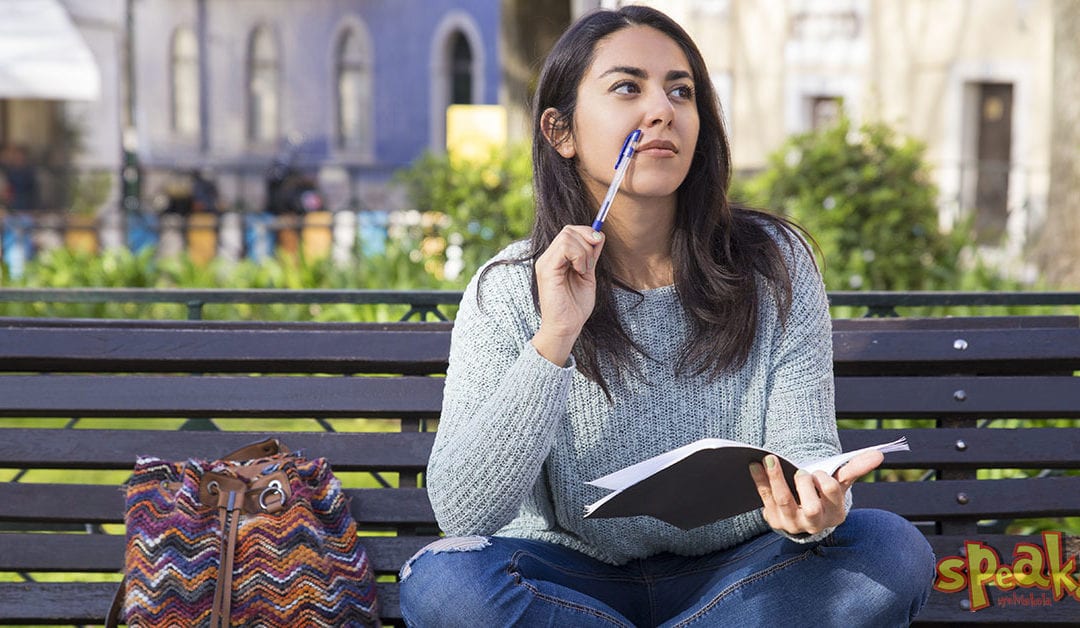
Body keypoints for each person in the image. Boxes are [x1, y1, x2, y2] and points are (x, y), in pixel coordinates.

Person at [399, 6, 935, 627]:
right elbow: (464, 515)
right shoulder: (511, 287)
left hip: (740, 575)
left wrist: (814, 510)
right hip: (568, 582)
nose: (662, 111)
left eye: (681, 91)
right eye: (628, 87)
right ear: (560, 131)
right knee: (443, 583)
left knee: (889, 550)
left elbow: (805, 449)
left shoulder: (773, 264)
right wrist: (555, 337)